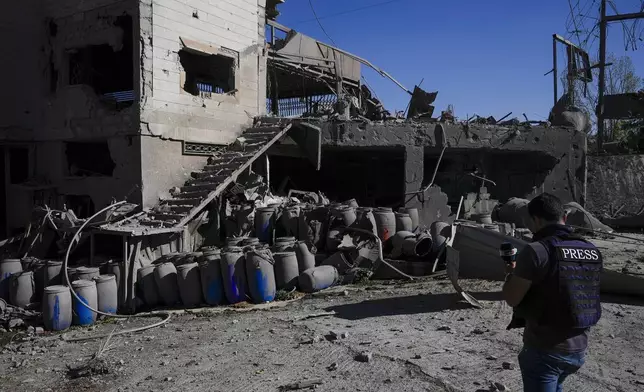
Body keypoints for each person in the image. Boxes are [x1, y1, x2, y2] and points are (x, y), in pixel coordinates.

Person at [502, 193, 602, 392]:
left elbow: (512, 298)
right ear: (563, 217)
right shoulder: (591, 249)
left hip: (545, 350)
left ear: (536, 220)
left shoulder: (536, 251)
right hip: (578, 349)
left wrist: (510, 275)